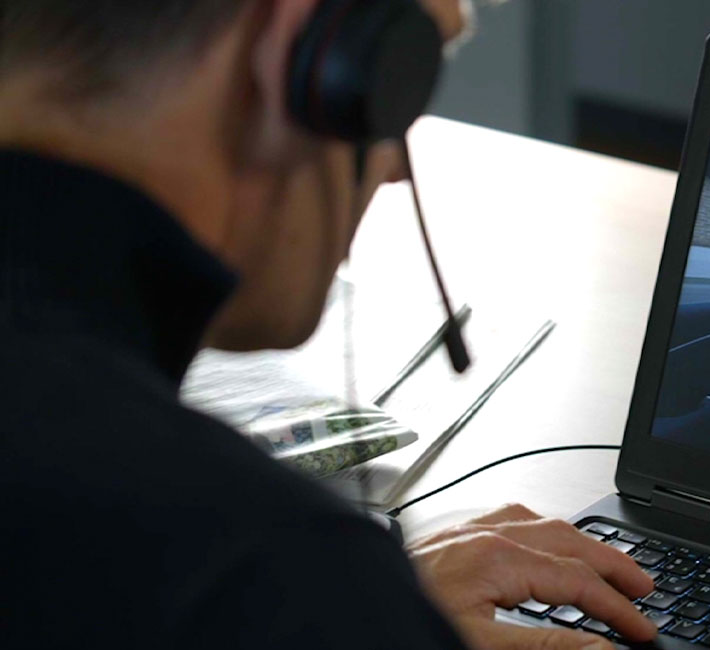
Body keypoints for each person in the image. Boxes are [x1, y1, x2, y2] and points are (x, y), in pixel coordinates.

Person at [0, 1, 657, 648]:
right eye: (396, 85)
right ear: (299, 49)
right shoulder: (258, 568)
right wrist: (338, 604)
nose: (395, 168)